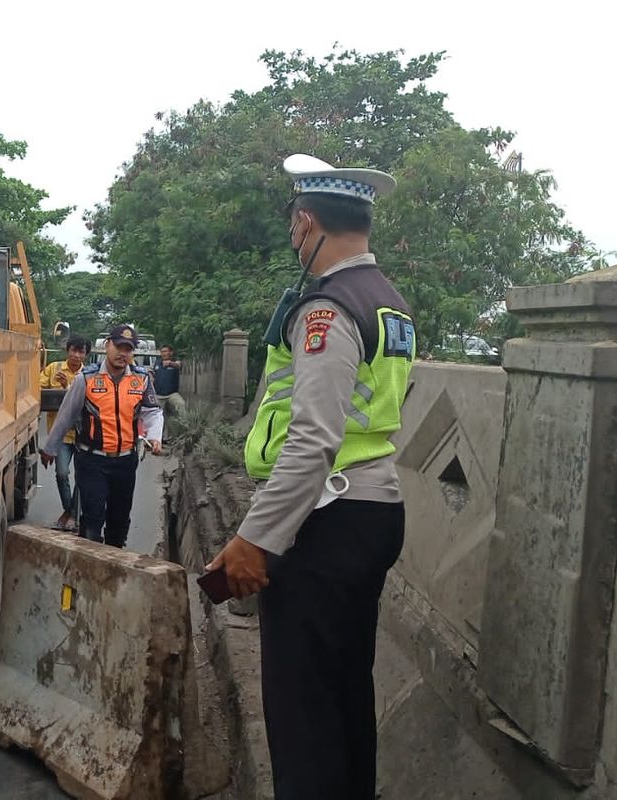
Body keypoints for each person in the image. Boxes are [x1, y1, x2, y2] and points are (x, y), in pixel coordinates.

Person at [205, 154, 415, 800]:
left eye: (296, 227)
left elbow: (313, 439)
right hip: (374, 513)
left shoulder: (327, 309)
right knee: (347, 693)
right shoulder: (390, 305)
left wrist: (255, 540)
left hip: (325, 520)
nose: (294, 238)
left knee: (303, 718)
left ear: (306, 224)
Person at [41, 325, 164, 548]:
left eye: (128, 349)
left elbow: (152, 411)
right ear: (108, 345)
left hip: (125, 461)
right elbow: (66, 415)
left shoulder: (141, 379)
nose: (123, 353)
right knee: (92, 520)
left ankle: (114, 567)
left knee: (119, 522)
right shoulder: (86, 379)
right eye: (119, 346)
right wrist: (50, 448)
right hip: (91, 460)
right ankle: (89, 569)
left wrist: (155, 436)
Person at [38, 334, 91, 531]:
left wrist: (66, 388)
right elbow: (38, 391)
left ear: (86, 355)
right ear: (67, 350)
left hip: (83, 436)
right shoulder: (53, 369)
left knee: (82, 477)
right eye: (73, 350)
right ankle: (69, 511)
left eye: (81, 351)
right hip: (60, 436)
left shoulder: (89, 375)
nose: (76, 355)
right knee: (61, 474)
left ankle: (72, 515)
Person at [152, 344, 187, 418]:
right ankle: (160, 428)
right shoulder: (157, 362)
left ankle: (184, 425)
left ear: (170, 352)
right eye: (162, 352)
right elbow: (153, 373)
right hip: (159, 395)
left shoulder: (175, 361)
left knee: (181, 404)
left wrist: (170, 363)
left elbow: (179, 365)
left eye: (165, 351)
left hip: (172, 394)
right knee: (156, 414)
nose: (163, 353)